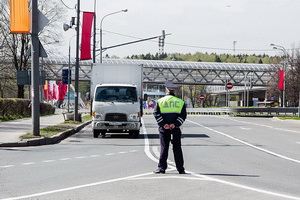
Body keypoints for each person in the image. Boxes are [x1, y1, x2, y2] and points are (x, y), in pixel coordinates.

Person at [153, 82, 187, 174]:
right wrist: (175, 124)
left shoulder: (160, 101)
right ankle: (180, 169)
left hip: (164, 128)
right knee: (177, 148)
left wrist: (163, 124)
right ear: (174, 90)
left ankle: (162, 168)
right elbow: (183, 115)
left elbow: (156, 114)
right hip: (175, 128)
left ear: (166, 90)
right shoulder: (180, 102)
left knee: (164, 147)